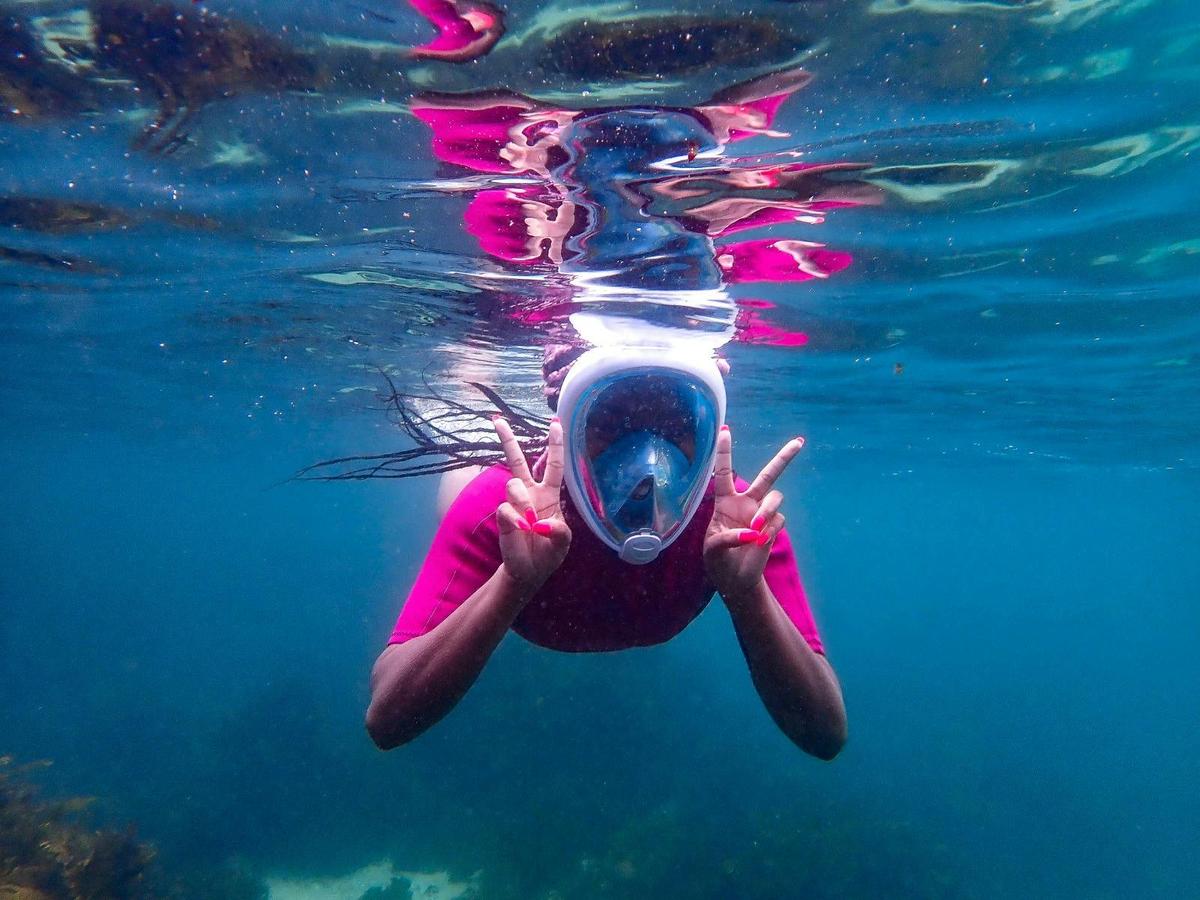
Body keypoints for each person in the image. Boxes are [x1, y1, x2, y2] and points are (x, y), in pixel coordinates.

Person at [365, 345, 847, 760]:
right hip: (506, 510)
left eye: (676, 425)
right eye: (613, 424)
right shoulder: (505, 512)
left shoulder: (737, 524)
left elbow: (825, 734)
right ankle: (470, 401)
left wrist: (748, 593)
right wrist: (512, 580)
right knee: (464, 483)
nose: (646, 463)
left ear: (708, 433)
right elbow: (386, 721)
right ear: (569, 427)